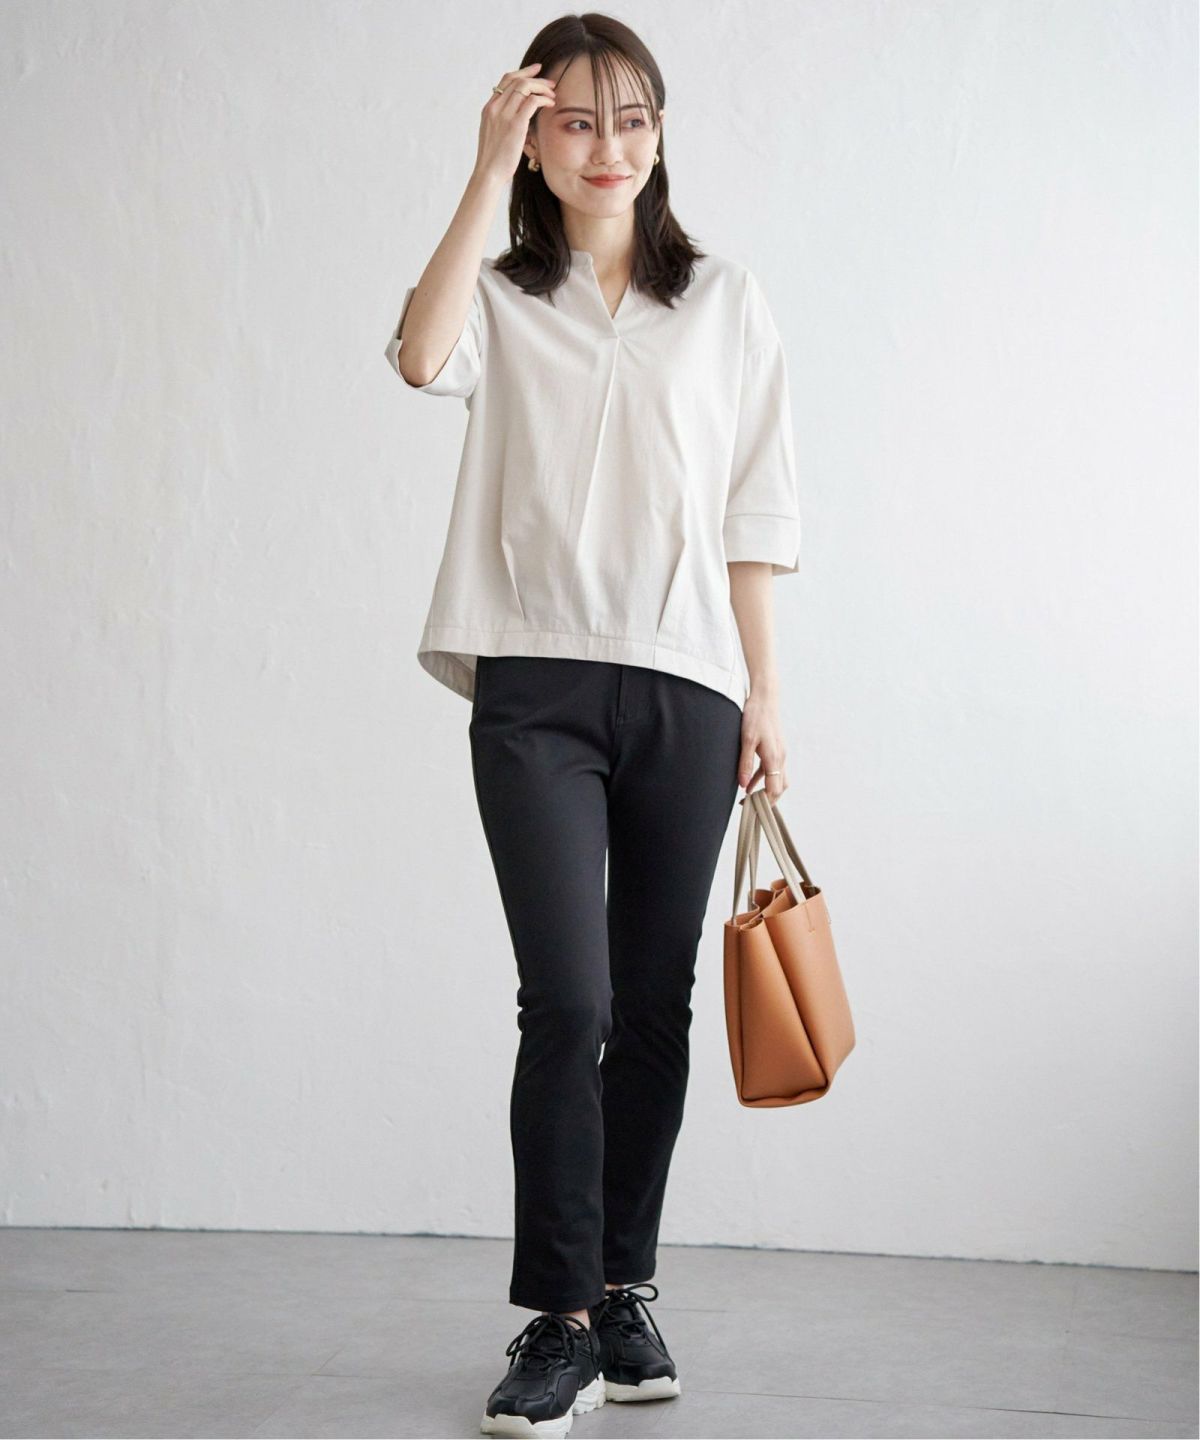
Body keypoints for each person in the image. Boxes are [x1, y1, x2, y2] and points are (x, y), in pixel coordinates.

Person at [384, 15, 801, 1438]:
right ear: (534, 138)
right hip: (535, 688)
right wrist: (478, 170)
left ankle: (624, 1287)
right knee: (567, 1003)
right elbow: (415, 354)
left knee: (653, 1006)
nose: (606, 146)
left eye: (630, 118)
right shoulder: (504, 295)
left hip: (688, 682)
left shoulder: (725, 301)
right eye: (571, 121)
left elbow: (754, 509)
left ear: (660, 132)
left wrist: (765, 692)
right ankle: (558, 1320)